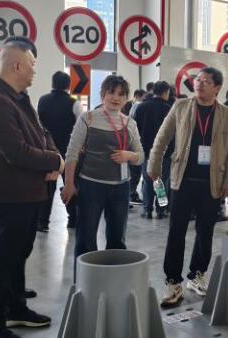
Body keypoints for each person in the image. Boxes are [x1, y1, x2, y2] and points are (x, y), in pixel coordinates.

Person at [0, 37, 64, 338]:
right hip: (10, 194)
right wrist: (55, 162)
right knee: (3, 259)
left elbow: (42, 133)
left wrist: (54, 157)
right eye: (32, 64)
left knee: (17, 255)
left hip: (26, 192)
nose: (35, 70)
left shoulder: (17, 97)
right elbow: (16, 152)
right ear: (16, 65)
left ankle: (15, 309)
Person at [148, 67, 228, 306]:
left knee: (205, 231)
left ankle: (197, 275)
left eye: (206, 81)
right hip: (182, 181)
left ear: (217, 87)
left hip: (212, 183)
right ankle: (173, 281)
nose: (199, 83)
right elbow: (162, 137)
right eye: (198, 80)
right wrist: (154, 164)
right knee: (176, 231)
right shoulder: (180, 107)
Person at [62, 75, 144, 273]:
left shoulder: (129, 123)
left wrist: (129, 155)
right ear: (102, 94)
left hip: (121, 188)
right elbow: (72, 152)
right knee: (86, 238)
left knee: (117, 239)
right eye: (111, 93)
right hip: (91, 186)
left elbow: (141, 156)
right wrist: (69, 184)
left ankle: (113, 280)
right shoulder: (88, 118)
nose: (116, 98)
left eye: (121, 94)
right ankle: (85, 282)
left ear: (126, 98)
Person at [37, 71, 82, 232]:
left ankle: (42, 222)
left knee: (48, 186)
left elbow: (38, 125)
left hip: (47, 150)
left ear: (52, 83)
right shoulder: (74, 103)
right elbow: (80, 128)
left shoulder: (42, 100)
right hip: (68, 150)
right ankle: (73, 219)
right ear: (69, 86)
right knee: (71, 183)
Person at [135, 80, 173, 219]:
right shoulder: (168, 109)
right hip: (165, 152)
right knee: (161, 181)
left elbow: (136, 130)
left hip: (146, 151)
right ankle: (161, 210)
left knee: (147, 180)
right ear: (166, 92)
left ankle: (147, 210)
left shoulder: (141, 107)